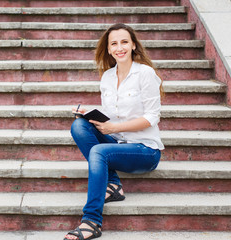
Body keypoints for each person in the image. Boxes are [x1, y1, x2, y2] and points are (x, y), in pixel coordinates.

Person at [63, 23, 165, 240]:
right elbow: (111, 115)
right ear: (108, 49)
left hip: (145, 150)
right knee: (79, 126)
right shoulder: (107, 77)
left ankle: (91, 221)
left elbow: (151, 118)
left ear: (134, 46)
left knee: (99, 152)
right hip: (117, 143)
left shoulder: (145, 74)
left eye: (124, 42)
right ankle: (114, 185)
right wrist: (89, 114)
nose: (120, 47)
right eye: (114, 44)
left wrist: (114, 128)